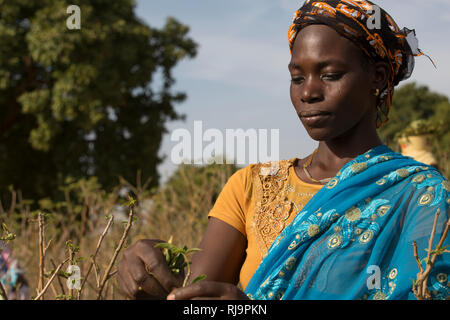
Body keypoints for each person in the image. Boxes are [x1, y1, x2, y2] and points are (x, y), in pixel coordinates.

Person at [117, 0, 449, 300]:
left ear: (377, 76)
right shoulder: (250, 185)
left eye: (330, 74)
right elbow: (192, 293)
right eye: (297, 78)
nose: (309, 93)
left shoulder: (422, 198)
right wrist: (149, 266)